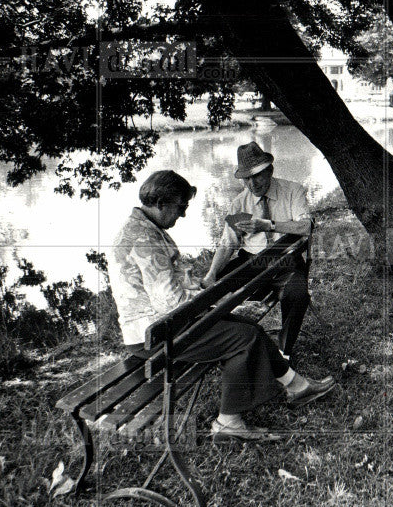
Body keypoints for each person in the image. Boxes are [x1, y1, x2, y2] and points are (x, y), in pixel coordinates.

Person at [109, 170, 334, 442]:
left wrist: (196, 289)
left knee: (246, 325)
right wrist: (209, 303)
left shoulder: (145, 228)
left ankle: (297, 387)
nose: (182, 214)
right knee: (244, 338)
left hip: (163, 327)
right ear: (161, 203)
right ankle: (228, 422)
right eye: (180, 207)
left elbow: (165, 291)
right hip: (154, 338)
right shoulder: (144, 239)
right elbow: (170, 302)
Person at [202, 142, 312, 360]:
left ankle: (284, 352)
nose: (252, 184)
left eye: (257, 176)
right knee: (212, 293)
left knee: (298, 294)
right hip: (252, 262)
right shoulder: (239, 203)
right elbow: (228, 244)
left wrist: (269, 225)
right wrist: (211, 274)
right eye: (246, 179)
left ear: (270, 170)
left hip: (287, 261)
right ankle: (226, 346)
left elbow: (306, 227)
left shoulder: (293, 191)